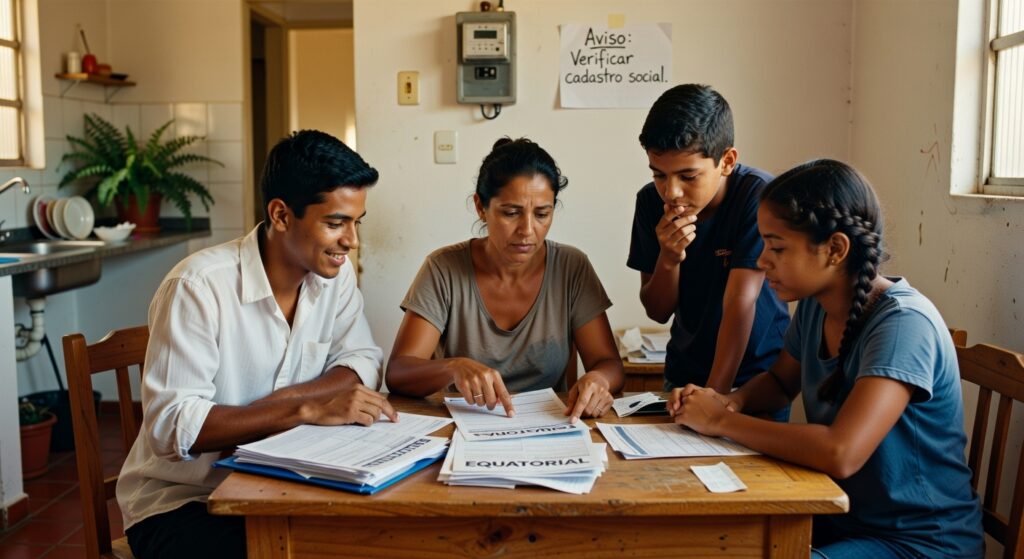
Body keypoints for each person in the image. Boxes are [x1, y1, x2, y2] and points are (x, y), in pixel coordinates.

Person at [670, 160, 984, 559]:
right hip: (843, 517)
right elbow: (782, 383)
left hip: (921, 542)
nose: (763, 260)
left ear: (835, 249)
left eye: (777, 247)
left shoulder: (904, 325)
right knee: (710, 540)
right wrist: (732, 400)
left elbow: (841, 451)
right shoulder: (817, 307)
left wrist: (721, 421)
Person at [117, 130, 397, 559]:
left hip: (283, 486)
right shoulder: (198, 286)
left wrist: (290, 400)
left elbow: (362, 362)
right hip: (185, 503)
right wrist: (303, 410)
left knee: (375, 539)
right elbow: (171, 426)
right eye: (336, 222)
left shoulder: (334, 280)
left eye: (356, 222)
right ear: (282, 215)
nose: (352, 241)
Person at [386, 137, 623, 422]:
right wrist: (453, 368)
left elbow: (608, 363)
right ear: (480, 207)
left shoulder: (572, 267)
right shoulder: (444, 268)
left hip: (553, 425)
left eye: (542, 214)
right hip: (464, 427)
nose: (527, 230)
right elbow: (398, 373)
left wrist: (598, 379)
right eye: (511, 213)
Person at [628, 84, 790, 399]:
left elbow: (740, 303)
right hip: (683, 372)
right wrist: (669, 258)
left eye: (688, 177)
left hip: (754, 378)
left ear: (727, 161)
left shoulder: (758, 197)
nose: (671, 192)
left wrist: (713, 398)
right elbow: (658, 311)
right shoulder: (650, 203)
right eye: (659, 175)